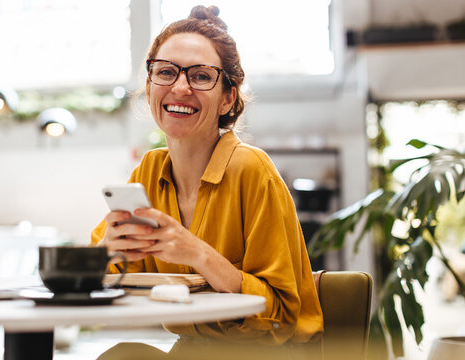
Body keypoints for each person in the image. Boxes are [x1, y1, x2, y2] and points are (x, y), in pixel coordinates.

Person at [91, 5, 323, 359]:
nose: (180, 88)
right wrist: (108, 251)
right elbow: (113, 281)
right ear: (150, 85)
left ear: (228, 97)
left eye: (200, 77)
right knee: (122, 354)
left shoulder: (252, 169)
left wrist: (197, 253)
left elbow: (282, 316)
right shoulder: (149, 171)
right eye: (166, 72)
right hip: (192, 351)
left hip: (269, 353)